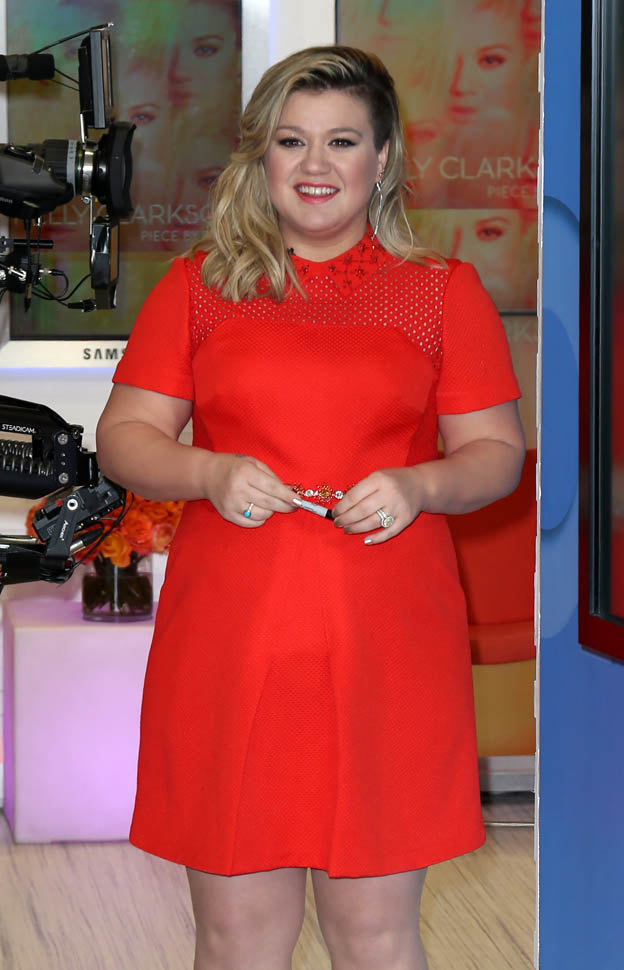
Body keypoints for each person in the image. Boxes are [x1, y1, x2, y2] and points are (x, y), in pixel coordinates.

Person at [96, 45, 525, 970]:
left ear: (383, 158)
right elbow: (124, 437)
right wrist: (208, 472)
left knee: (375, 937)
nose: (316, 164)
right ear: (262, 156)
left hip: (388, 645)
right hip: (233, 641)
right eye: (292, 141)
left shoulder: (442, 294)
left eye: (342, 141)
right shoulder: (198, 287)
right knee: (237, 939)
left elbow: (495, 455)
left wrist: (419, 485)